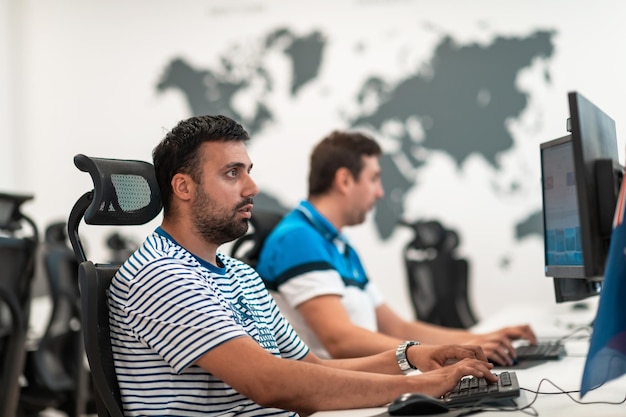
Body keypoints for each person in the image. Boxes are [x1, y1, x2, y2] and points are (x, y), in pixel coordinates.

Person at [108, 115, 497, 417]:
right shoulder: (160, 274)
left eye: (248, 170)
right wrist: (423, 386)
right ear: (183, 187)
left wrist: (410, 358)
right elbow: (271, 382)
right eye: (232, 173)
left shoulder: (239, 274)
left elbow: (309, 367)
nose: (251, 187)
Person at [255, 130, 537, 367]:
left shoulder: (338, 244)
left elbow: (397, 327)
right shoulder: (298, 239)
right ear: (344, 180)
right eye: (374, 178)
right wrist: (425, 353)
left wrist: (478, 340)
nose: (380, 192)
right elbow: (340, 340)